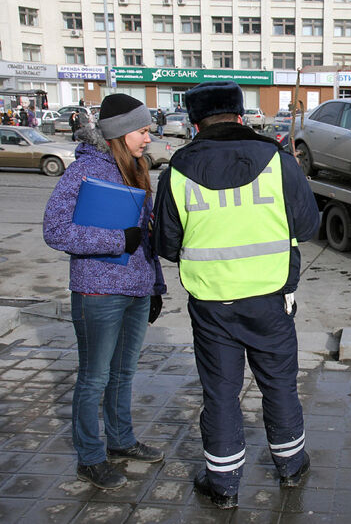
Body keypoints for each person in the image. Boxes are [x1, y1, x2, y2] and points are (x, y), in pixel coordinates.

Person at [151, 81, 319, 510]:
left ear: (194, 122)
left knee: (221, 393)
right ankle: (291, 467)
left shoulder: (176, 170)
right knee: (279, 384)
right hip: (271, 298)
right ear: (240, 116)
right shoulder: (278, 161)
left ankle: (223, 485)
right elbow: (307, 226)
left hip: (212, 304)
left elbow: (167, 244)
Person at [43, 94, 167, 490]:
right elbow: (55, 230)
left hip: (136, 289)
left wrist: (156, 286)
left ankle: (121, 440)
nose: (149, 139)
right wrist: (116, 239)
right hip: (97, 291)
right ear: (120, 133)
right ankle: (90, 458)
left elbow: (144, 236)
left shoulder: (139, 168)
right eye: (143, 131)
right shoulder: (83, 171)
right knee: (94, 378)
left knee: (123, 373)